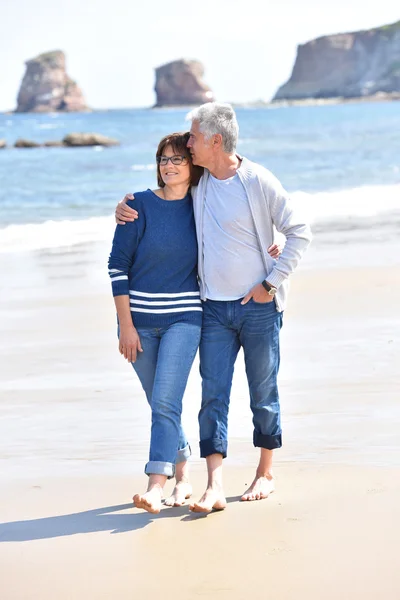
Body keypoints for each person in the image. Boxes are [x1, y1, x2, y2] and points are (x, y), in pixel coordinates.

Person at [115, 103, 311, 513]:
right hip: (213, 311)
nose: (188, 144)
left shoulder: (257, 181)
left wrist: (270, 282)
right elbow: (166, 202)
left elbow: (299, 232)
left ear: (215, 140)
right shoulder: (199, 185)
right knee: (212, 397)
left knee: (263, 393)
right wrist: (127, 207)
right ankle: (214, 485)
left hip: (259, 307)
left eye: (193, 138)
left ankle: (265, 472)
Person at [108, 132, 204, 514]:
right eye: (164, 159)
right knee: (161, 403)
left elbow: (238, 232)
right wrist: (126, 326)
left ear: (193, 165)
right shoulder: (137, 205)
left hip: (185, 317)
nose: (169, 165)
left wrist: (272, 247)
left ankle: (155, 486)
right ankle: (183, 475)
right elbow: (117, 266)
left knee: (165, 401)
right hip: (139, 324)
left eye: (178, 159)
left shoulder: (204, 204)